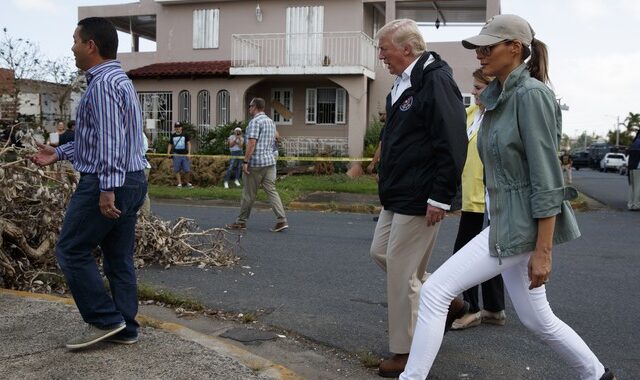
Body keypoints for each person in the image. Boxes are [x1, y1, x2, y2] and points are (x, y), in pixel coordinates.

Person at [400, 14, 616, 380]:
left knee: (436, 293)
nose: (480, 53)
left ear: (515, 48)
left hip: (519, 226)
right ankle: (597, 375)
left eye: (488, 46)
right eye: (478, 47)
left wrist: (543, 251)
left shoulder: (531, 96)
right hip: (505, 221)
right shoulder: (499, 97)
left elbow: (547, 179)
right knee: (537, 319)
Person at [30, 17, 148, 350]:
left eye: (75, 40)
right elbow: (97, 139)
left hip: (109, 181)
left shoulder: (103, 85)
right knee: (117, 256)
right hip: (134, 178)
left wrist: (107, 189)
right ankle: (125, 327)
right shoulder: (118, 80)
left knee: (71, 249)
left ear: (90, 45)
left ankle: (104, 319)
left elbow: (110, 141)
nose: (72, 47)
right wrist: (59, 153)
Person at [369, 19, 468, 378]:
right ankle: (448, 300)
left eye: (384, 49)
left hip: (422, 193)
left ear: (407, 49)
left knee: (400, 272)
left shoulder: (435, 79)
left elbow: (453, 141)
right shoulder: (402, 83)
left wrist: (441, 197)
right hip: (398, 193)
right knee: (380, 253)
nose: (381, 55)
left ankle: (407, 351)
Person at [451, 69, 506, 331]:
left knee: (467, 255)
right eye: (473, 87)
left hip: (491, 197)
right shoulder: (472, 114)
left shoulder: (498, 116)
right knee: (485, 255)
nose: (473, 92)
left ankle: (473, 309)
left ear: (494, 89)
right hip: (471, 197)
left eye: (478, 88)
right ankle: (494, 309)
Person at [226, 98, 288, 232]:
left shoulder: (255, 122)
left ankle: (241, 222)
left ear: (254, 107)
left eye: (250, 106)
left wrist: (246, 161)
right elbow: (277, 138)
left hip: (256, 163)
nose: (249, 108)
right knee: (271, 191)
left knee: (248, 194)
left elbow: (251, 143)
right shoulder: (271, 122)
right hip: (270, 162)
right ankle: (281, 220)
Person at [167, 122, 192, 188]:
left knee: (187, 170)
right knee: (177, 169)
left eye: (179, 127)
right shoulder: (173, 136)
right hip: (176, 154)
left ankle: (187, 182)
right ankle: (179, 183)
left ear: (181, 128)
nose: (177, 128)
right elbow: (170, 144)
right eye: (176, 127)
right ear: (175, 128)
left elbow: (189, 144)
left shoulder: (185, 135)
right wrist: (168, 153)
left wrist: (189, 153)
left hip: (184, 154)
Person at [627, 133, 640, 210]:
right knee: (638, 187)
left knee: (632, 187)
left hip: (631, 167)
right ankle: (636, 205)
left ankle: (630, 204)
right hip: (638, 167)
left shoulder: (634, 143)